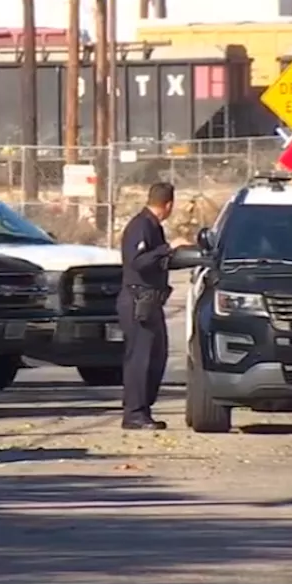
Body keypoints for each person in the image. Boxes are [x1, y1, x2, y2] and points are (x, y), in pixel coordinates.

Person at [117, 182, 179, 431]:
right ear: (169, 205)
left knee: (156, 356)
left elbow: (158, 262)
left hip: (151, 301)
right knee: (140, 359)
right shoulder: (141, 226)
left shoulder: (154, 227)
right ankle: (134, 413)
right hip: (137, 300)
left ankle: (143, 409)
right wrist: (166, 249)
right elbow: (138, 262)